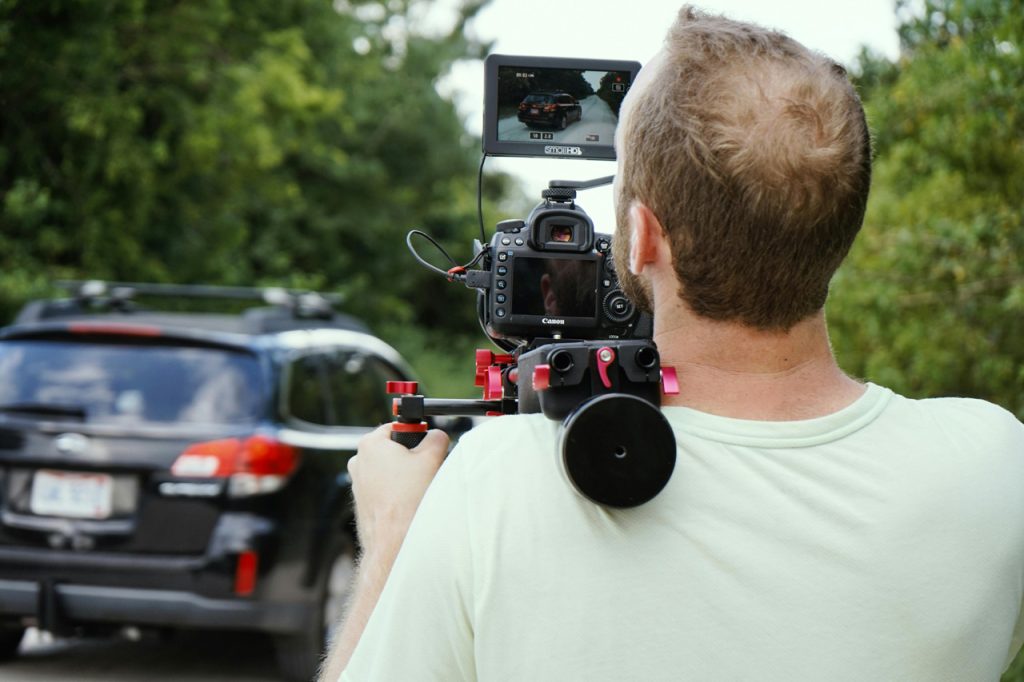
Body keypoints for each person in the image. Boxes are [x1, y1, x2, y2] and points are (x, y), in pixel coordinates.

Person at [322, 6, 1024, 681]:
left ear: (644, 235)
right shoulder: (995, 465)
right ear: (843, 224)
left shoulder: (493, 486)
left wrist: (389, 535)